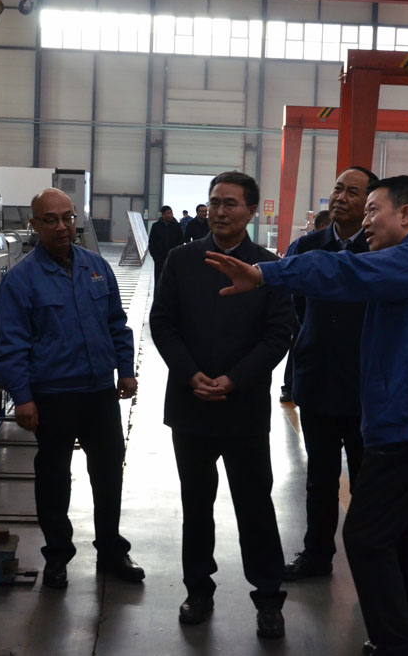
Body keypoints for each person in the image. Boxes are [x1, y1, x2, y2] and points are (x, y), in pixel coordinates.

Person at [205, 174, 408, 656]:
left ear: (405, 214)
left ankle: (397, 645)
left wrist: (266, 274)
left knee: (367, 537)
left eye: (373, 210)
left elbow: (343, 272)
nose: (365, 220)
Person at [149, 171, 293, 639]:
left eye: (231, 203)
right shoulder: (181, 259)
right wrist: (190, 374)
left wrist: (234, 379)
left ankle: (268, 598)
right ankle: (198, 590)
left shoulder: (268, 267)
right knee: (196, 505)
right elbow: (162, 323)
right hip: (191, 405)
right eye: (215, 202)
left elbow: (279, 333)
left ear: (251, 211)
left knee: (255, 506)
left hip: (243, 408)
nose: (220, 211)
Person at [0, 188, 144, 590]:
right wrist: (23, 398)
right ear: (34, 225)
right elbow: (11, 345)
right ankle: (58, 556)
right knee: (54, 477)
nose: (62, 226)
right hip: (53, 396)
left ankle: (111, 550)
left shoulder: (96, 267)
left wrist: (126, 370)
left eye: (68, 217)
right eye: (51, 220)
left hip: (99, 392)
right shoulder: (21, 280)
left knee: (108, 473)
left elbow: (116, 323)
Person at [281, 166, 377, 582]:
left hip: (366, 386)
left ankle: (369, 561)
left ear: (370, 204)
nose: (341, 197)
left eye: (353, 192)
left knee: (367, 481)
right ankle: (317, 556)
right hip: (318, 380)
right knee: (319, 478)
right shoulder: (308, 247)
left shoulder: (380, 249)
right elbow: (296, 306)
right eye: (338, 188)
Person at [279, 208, 333, 404]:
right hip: (301, 307)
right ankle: (289, 387)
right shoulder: (304, 245)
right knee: (297, 346)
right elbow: (288, 273)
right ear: (323, 226)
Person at [148, 205, 184, 286]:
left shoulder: (176, 226)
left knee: (172, 281)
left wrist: (177, 255)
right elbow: (151, 243)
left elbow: (180, 242)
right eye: (167, 213)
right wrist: (155, 257)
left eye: (171, 213)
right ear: (162, 214)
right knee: (159, 281)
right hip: (159, 259)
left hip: (173, 258)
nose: (169, 215)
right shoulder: (156, 226)